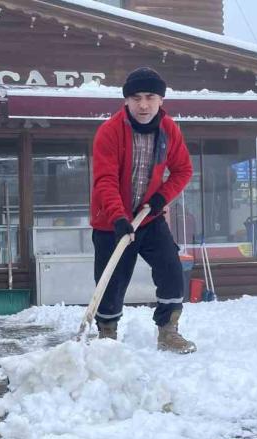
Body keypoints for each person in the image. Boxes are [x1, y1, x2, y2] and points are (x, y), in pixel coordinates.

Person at [90, 67, 196, 353]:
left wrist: (162, 197)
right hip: (111, 222)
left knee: (171, 269)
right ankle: (107, 335)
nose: (143, 105)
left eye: (150, 97)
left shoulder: (169, 130)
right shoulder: (109, 131)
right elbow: (105, 180)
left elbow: (183, 169)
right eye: (136, 98)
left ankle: (168, 330)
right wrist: (118, 217)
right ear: (126, 101)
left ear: (161, 99)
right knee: (112, 280)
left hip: (148, 218)